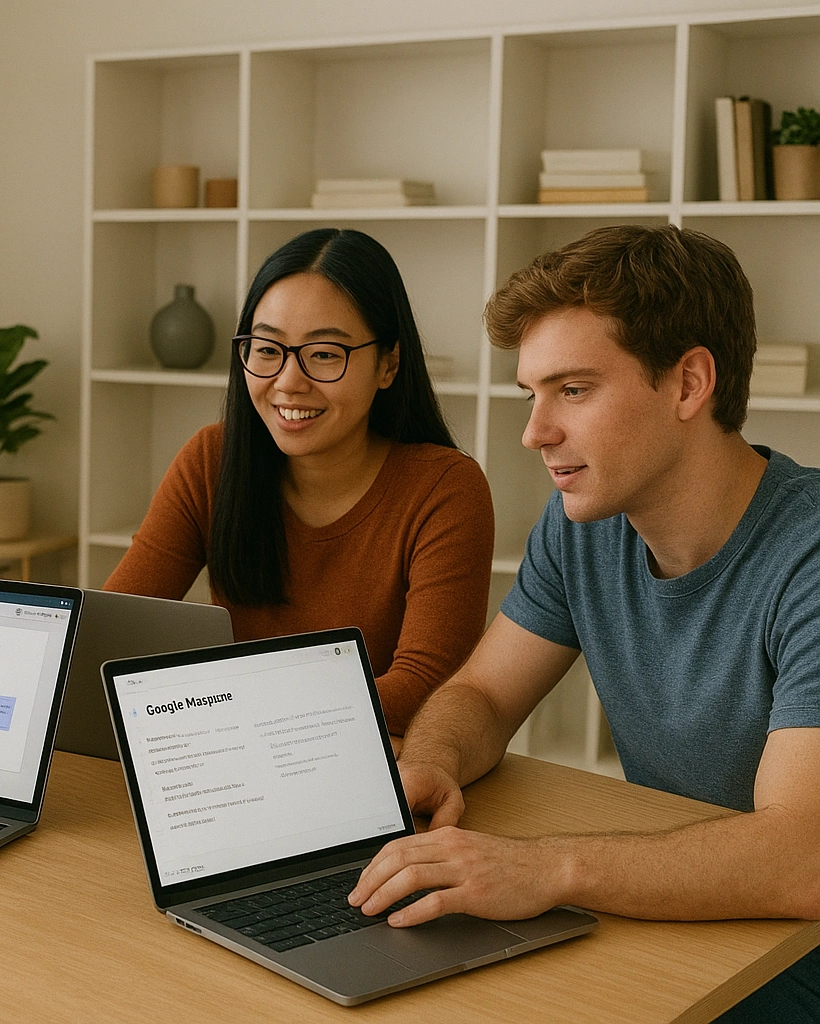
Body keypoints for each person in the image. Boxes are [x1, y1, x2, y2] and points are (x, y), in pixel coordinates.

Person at [347, 225, 820, 1020]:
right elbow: (486, 696)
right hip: (676, 936)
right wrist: (432, 759)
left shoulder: (807, 557)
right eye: (533, 393)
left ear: (688, 383)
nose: (535, 432)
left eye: (573, 389)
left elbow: (803, 857)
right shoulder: (583, 523)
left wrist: (549, 869)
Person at [104, 228, 493, 734]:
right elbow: (111, 635)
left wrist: (214, 707)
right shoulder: (212, 460)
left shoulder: (445, 489)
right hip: (230, 763)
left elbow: (424, 689)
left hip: (371, 772)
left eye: (325, 354)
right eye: (267, 349)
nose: (288, 381)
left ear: (388, 364)